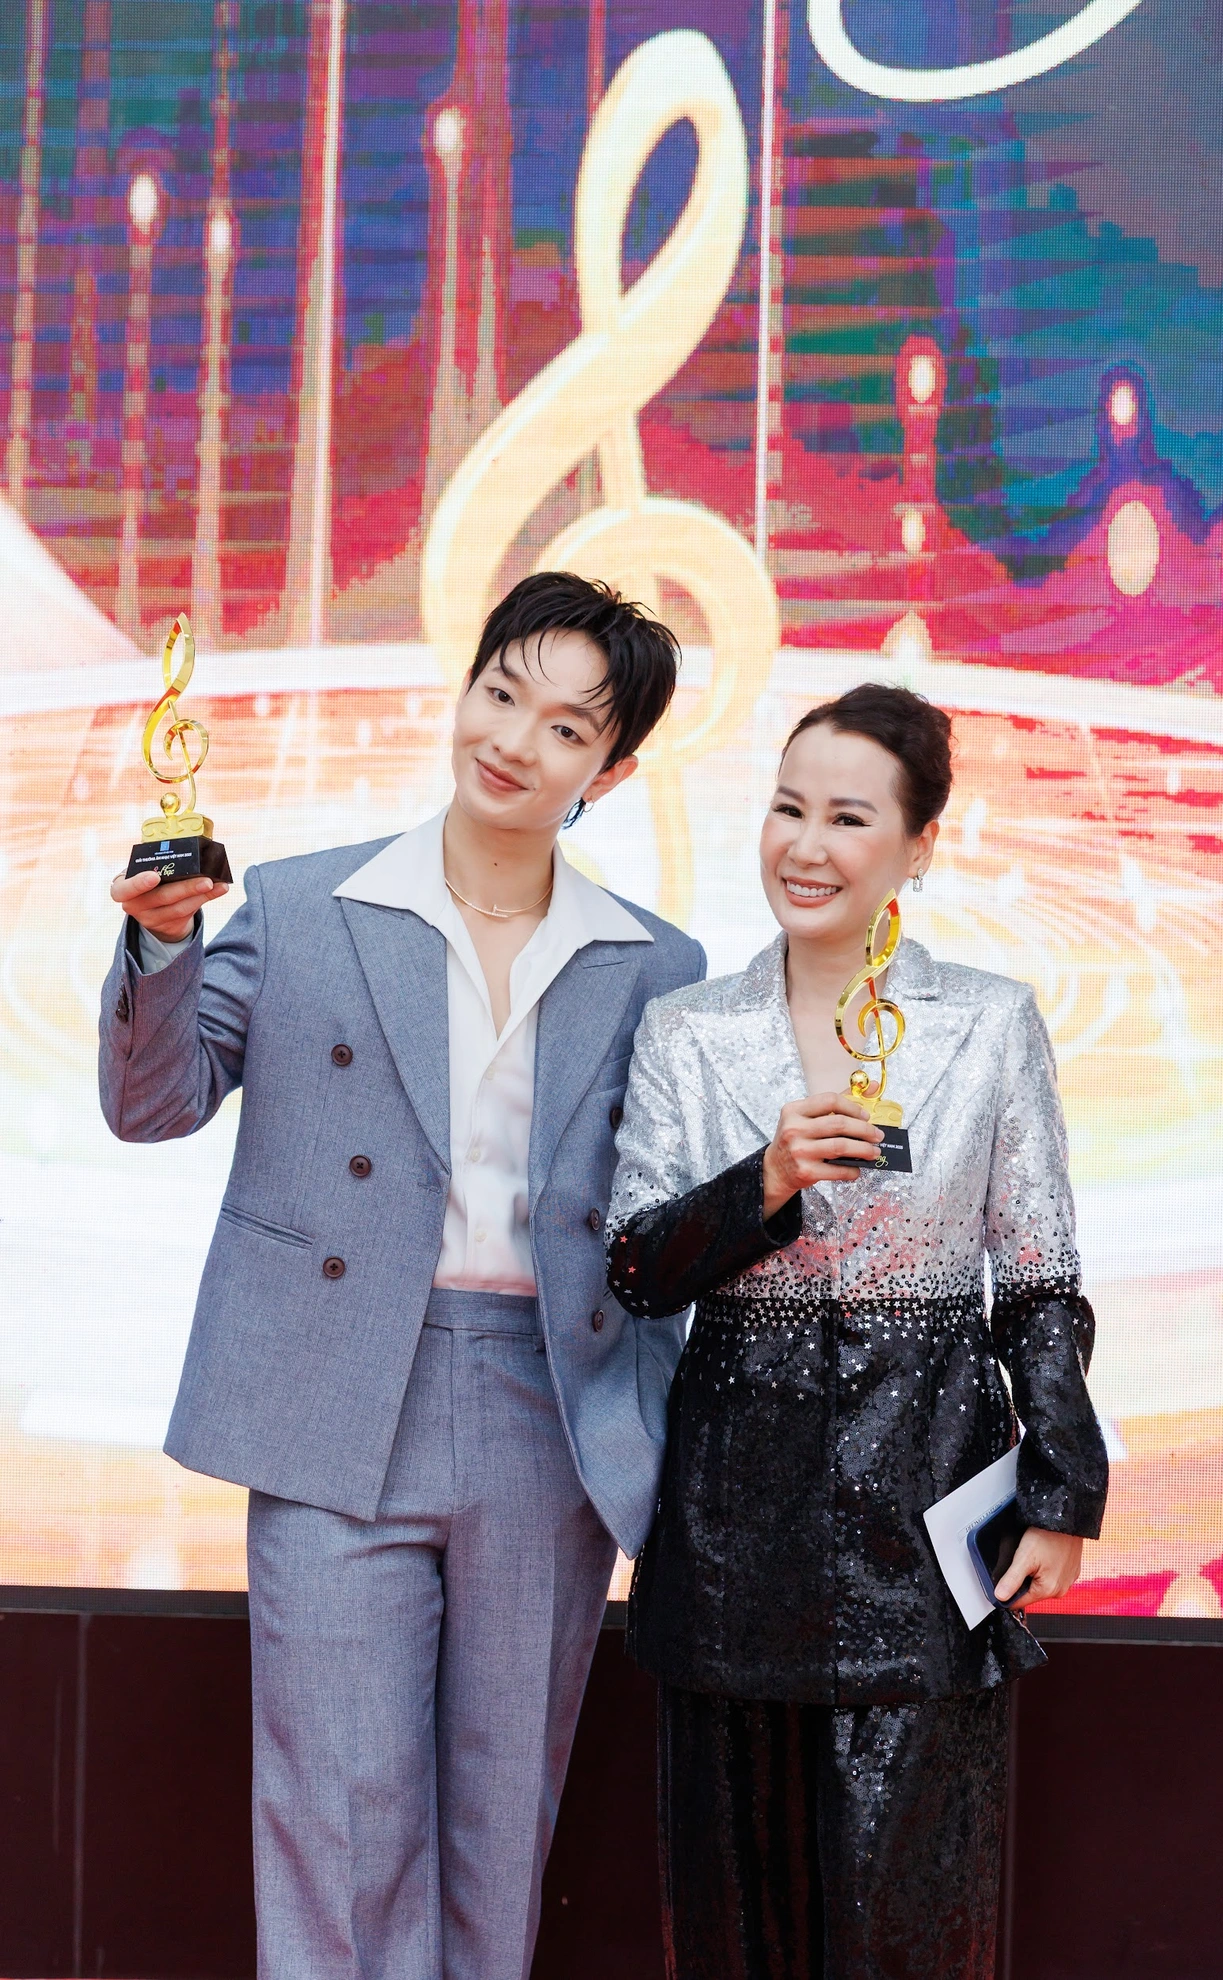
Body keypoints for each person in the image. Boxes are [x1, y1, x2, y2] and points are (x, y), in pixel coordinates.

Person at [99, 572, 704, 1980]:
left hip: (551, 1412)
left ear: (610, 771)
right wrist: (166, 943)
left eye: (567, 728)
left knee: (503, 1821)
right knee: (338, 1814)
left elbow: (666, 1224)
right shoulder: (300, 905)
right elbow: (155, 1102)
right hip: (331, 1391)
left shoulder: (652, 964)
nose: (514, 740)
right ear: (466, 685)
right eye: (502, 692)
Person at [605, 684, 1108, 1980]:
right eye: (788, 809)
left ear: (919, 846)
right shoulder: (685, 1030)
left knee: (911, 1912)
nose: (806, 846)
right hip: (728, 1527)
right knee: (735, 1915)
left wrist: (1061, 1494)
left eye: (847, 817)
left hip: (925, 1515)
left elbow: (1040, 1279)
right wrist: (763, 1181)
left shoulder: (990, 1022)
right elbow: (637, 1270)